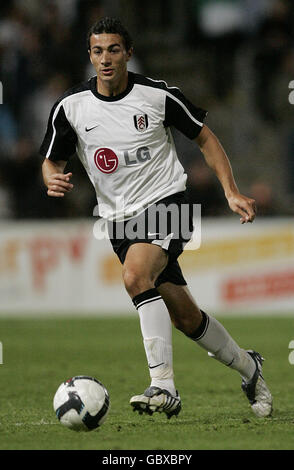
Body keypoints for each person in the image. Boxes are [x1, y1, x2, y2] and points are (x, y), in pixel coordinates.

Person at [40, 17, 272, 419]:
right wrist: (52, 179)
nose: (105, 58)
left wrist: (230, 190)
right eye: (98, 51)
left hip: (169, 202)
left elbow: (205, 137)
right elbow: (51, 159)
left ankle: (163, 387)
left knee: (134, 278)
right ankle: (249, 368)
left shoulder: (157, 96)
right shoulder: (71, 107)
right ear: (90, 56)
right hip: (118, 221)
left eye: (114, 49)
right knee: (185, 317)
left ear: (129, 53)